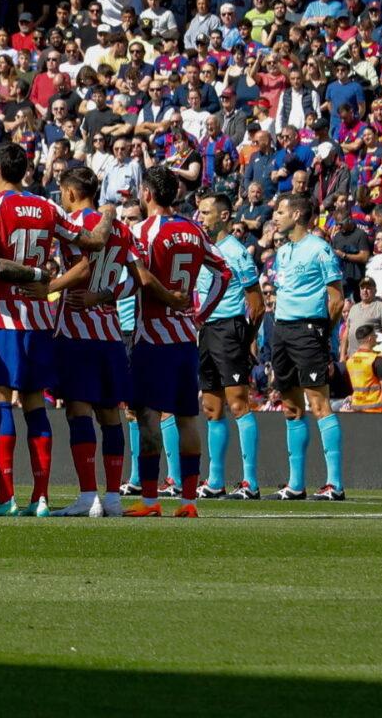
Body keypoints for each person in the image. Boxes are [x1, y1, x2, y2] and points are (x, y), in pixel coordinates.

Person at [0, 146, 111, 516]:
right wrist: (106, 215)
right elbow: (93, 242)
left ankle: (5, 496)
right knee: (34, 403)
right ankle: (39, 498)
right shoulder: (48, 207)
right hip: (39, 318)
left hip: (1, 318)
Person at [122, 169, 230, 518]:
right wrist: (200, 315)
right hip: (185, 338)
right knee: (187, 418)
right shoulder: (194, 230)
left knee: (147, 418)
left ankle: (151, 500)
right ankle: (188, 502)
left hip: (152, 336)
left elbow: (135, 279)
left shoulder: (141, 231)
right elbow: (224, 272)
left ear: (149, 194)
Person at [43, 164, 140, 518]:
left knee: (78, 409)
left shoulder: (74, 225)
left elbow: (83, 268)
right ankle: (113, 497)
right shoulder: (121, 231)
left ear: (70, 193)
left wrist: (49, 288)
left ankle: (87, 496)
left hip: (76, 329)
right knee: (110, 414)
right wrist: (106, 295)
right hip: (110, 332)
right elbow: (135, 279)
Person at [268, 194, 346, 502]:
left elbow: (336, 299)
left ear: (298, 214)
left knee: (319, 404)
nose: (275, 216)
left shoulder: (320, 249)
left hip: (308, 329)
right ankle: (295, 484)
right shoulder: (283, 251)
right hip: (282, 330)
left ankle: (335, 485)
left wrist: (322, 333)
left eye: (281, 211)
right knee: (290, 407)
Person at [194, 189, 264, 499]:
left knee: (238, 403)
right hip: (207, 330)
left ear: (224, 215)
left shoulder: (236, 251)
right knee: (211, 407)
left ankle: (250, 482)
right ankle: (215, 480)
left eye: (206, 212)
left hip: (231, 329)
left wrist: (247, 340)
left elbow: (257, 304)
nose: (201, 217)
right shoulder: (205, 250)